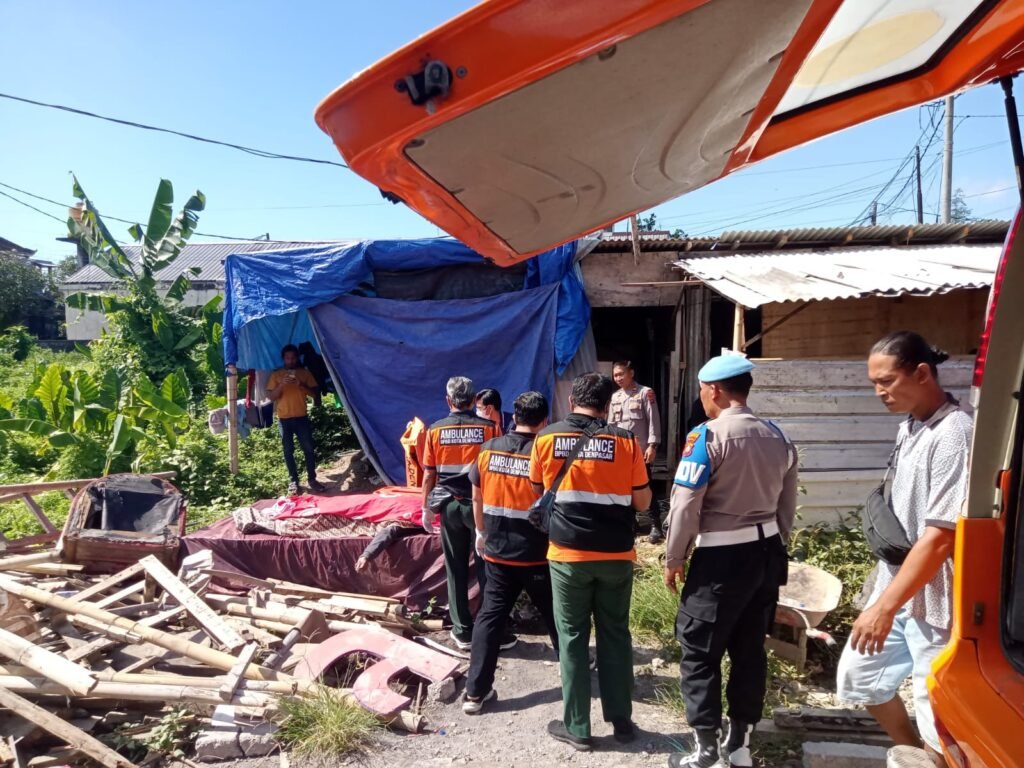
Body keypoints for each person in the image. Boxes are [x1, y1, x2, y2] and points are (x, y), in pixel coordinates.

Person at [836, 332, 971, 767]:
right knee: (860, 678)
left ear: (922, 373)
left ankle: (935, 755)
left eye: (887, 381)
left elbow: (940, 536)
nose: (880, 392)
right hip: (897, 581)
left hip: (936, 595)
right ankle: (918, 755)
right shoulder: (909, 427)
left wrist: (884, 608)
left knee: (935, 706)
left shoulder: (954, 433)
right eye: (874, 383)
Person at [664, 353, 798, 768]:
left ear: (715, 391)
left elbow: (686, 503)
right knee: (749, 648)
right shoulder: (778, 436)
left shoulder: (707, 438)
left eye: (703, 391)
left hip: (721, 558)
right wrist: (775, 547)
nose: (702, 398)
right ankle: (739, 747)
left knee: (699, 648)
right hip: (766, 554)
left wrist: (674, 555)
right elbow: (787, 505)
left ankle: (705, 750)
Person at [530, 372, 652, 751]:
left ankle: (578, 727)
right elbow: (643, 502)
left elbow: (537, 489)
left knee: (573, 637)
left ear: (571, 402)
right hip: (616, 555)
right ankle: (622, 721)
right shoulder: (626, 440)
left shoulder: (546, 437)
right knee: (615, 633)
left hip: (568, 556)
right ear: (606, 406)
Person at [462, 391, 559, 714]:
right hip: (537, 552)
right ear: (544, 421)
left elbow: (476, 497)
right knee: (556, 613)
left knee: (490, 618)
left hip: (497, 551)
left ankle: (475, 693)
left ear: (513, 417)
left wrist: (480, 533)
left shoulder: (488, 449)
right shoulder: (544, 452)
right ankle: (572, 666)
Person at [421, 376, 501, 650]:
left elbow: (429, 474)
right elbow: (497, 469)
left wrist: (425, 508)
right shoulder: (490, 429)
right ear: (473, 399)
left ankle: (462, 631)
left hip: (450, 506)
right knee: (487, 566)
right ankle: (493, 629)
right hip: (481, 505)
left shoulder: (434, 431)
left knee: (455, 567)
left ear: (448, 401)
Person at [609, 361, 664, 543]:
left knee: (645, 486)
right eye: (615, 375)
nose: (618, 378)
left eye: (621, 374)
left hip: (640, 452)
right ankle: (632, 523)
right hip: (621, 452)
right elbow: (610, 426)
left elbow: (653, 420)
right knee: (624, 488)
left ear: (631, 373)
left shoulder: (645, 393)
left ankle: (655, 524)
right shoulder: (615, 397)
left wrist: (653, 445)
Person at [267, 345, 326, 496]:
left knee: (308, 449)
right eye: (288, 358)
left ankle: (312, 480)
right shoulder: (276, 375)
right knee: (288, 451)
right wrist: (282, 384)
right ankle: (293, 482)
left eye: (293, 358)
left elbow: (315, 395)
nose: (291, 361)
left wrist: (301, 385)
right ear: (283, 359)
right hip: (284, 419)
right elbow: (271, 397)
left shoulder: (304, 373)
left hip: (302, 418)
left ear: (297, 358)